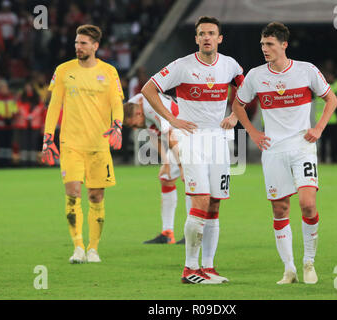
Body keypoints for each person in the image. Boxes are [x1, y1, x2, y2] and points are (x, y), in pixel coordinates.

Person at [232, 22, 337, 284]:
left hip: (302, 147)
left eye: (269, 44)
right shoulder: (256, 76)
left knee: (308, 203)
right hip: (273, 150)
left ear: (284, 45)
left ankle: (309, 261)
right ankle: (289, 268)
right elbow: (237, 104)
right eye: (262, 44)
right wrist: (253, 133)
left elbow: (331, 99)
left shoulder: (306, 71)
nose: (264, 49)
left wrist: (319, 128)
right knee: (280, 209)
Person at [142, 16, 244, 284]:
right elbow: (149, 89)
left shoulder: (230, 65)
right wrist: (171, 119)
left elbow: (245, 90)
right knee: (199, 201)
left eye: (212, 33)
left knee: (214, 204)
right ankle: (189, 269)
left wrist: (234, 115)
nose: (207, 37)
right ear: (196, 38)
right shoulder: (182, 66)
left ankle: (208, 268)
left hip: (219, 140)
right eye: (202, 33)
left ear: (219, 38)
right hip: (191, 139)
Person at [42, 24, 124, 264]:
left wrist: (117, 125)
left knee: (96, 197)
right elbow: (54, 105)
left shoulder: (109, 72)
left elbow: (117, 103)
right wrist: (48, 137)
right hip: (71, 144)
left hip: (98, 145)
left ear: (95, 46)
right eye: (77, 43)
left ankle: (93, 248)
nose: (78, 47)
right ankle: (78, 246)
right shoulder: (63, 70)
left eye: (83, 43)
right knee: (72, 193)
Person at [123, 92, 191, 244]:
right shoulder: (134, 104)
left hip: (187, 132)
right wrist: (166, 163)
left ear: (139, 113)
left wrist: (181, 166)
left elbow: (170, 136)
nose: (134, 129)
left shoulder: (151, 108)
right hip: (177, 133)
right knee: (166, 179)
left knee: (190, 180)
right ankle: (167, 233)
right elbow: (153, 134)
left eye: (133, 124)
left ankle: (193, 233)